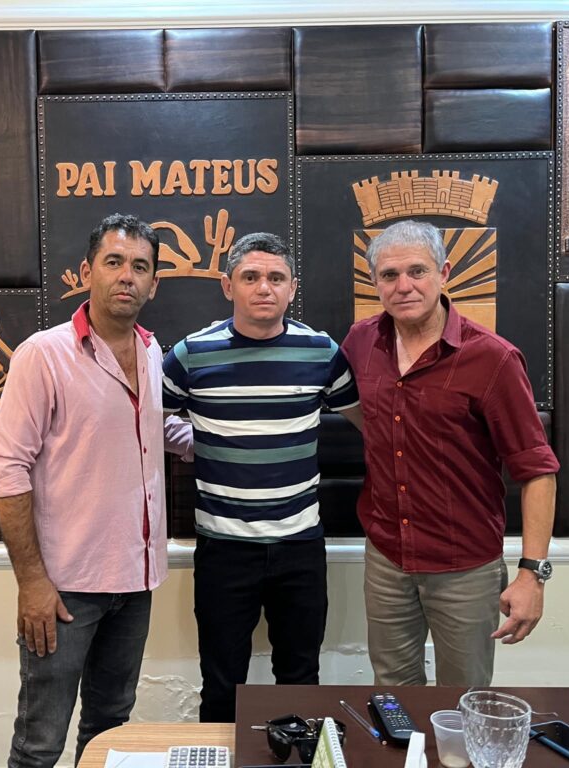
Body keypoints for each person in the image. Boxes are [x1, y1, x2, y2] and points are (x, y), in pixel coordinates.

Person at [0, 213, 192, 768]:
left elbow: (154, 430)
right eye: (114, 262)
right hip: (64, 592)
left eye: (140, 267)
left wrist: (226, 440)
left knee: (109, 733)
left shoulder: (152, 352)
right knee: (39, 743)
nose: (127, 276)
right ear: (87, 272)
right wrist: (32, 582)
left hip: (136, 582)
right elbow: (5, 467)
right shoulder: (43, 355)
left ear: (153, 284)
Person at [341, 219, 559, 687]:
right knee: (393, 696)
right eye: (389, 275)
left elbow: (537, 471)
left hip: (465, 566)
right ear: (374, 282)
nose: (403, 286)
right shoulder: (361, 342)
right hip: (387, 557)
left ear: (444, 273)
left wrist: (532, 575)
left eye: (417, 271)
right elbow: (368, 417)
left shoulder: (493, 358)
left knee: (466, 699)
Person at [162, 232, 361, 723]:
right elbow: (146, 426)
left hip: (300, 547)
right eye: (250, 277)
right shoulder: (190, 355)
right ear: (227, 286)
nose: (264, 287)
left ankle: (296, 757)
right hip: (224, 550)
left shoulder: (322, 353)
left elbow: (370, 424)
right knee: (222, 686)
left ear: (293, 288)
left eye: (276, 277)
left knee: (301, 681)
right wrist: (198, 441)